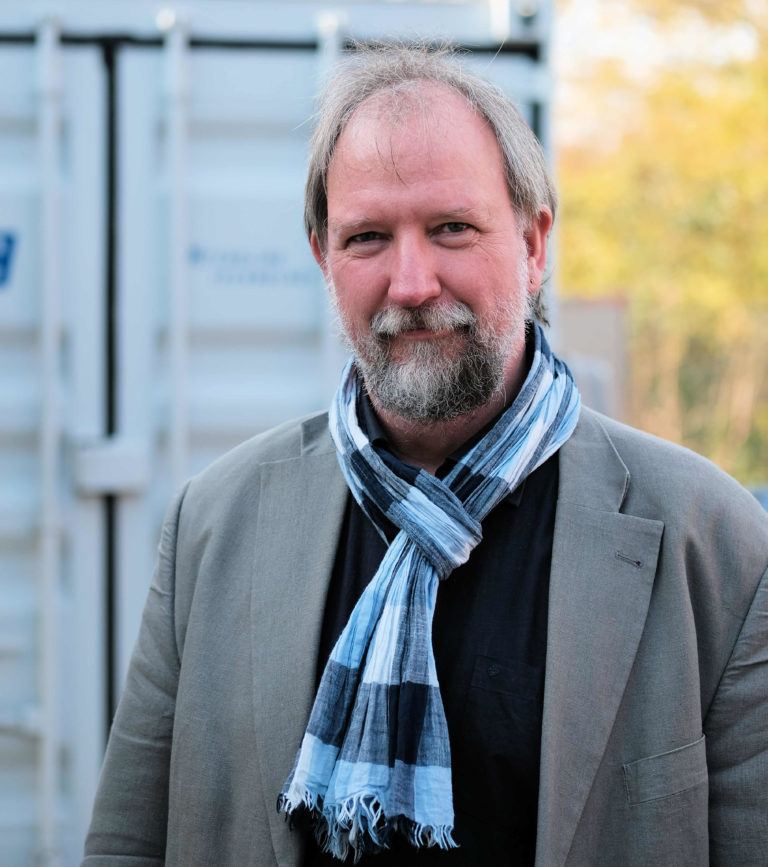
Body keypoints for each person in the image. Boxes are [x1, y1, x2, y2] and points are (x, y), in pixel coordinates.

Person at [83, 45, 768, 867]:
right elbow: (127, 845)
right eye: (368, 237)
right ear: (323, 259)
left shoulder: (711, 542)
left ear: (533, 241)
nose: (411, 282)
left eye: (451, 228)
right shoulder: (213, 526)